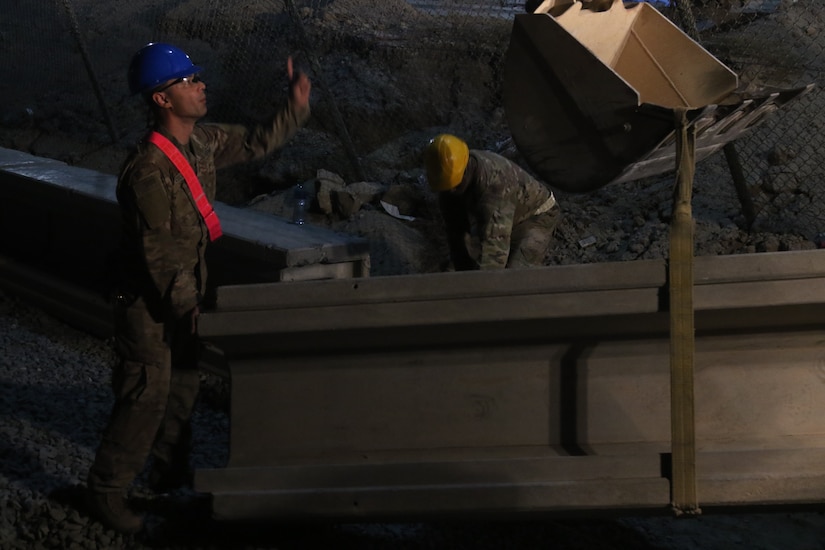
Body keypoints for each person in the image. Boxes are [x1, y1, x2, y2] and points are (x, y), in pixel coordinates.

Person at [86, 42, 311, 534]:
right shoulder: (147, 170)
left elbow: (254, 141)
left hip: (184, 293)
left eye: (196, 77)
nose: (200, 85)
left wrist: (294, 108)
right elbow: (159, 256)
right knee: (146, 394)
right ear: (162, 100)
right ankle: (107, 491)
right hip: (148, 302)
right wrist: (190, 308)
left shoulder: (200, 142)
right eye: (188, 81)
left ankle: (168, 478)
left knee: (183, 388)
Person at [424, 133, 561, 270]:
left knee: (516, 277)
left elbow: (494, 254)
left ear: (465, 170)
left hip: (536, 216)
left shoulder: (495, 185)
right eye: (447, 187)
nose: (451, 191)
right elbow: (456, 234)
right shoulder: (448, 176)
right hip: (504, 213)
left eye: (456, 185)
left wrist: (483, 287)